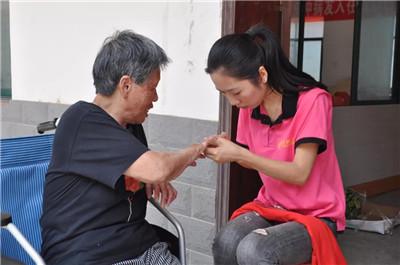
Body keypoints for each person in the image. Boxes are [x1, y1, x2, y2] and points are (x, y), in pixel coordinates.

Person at [40, 30, 207, 265]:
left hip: (139, 245)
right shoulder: (82, 121)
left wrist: (145, 176)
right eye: (152, 87)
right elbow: (157, 168)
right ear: (126, 85)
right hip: (88, 254)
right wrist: (195, 150)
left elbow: (143, 169)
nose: (156, 98)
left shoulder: (131, 126)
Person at [204, 24, 346, 265]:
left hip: (316, 214)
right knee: (225, 242)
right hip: (272, 206)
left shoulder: (313, 101)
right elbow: (257, 158)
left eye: (236, 92)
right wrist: (230, 150)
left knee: (254, 250)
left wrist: (240, 154)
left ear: (262, 75)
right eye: (224, 94)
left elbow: (299, 173)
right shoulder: (250, 107)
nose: (233, 102)